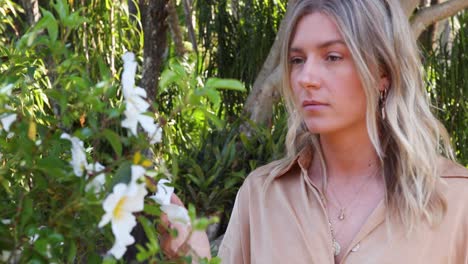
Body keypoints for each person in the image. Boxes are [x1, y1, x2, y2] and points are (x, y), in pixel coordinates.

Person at [160, 0, 468, 263]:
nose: (306, 77)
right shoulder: (262, 196)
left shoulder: (455, 201)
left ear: (382, 73)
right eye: (297, 60)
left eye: (332, 57)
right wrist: (195, 256)